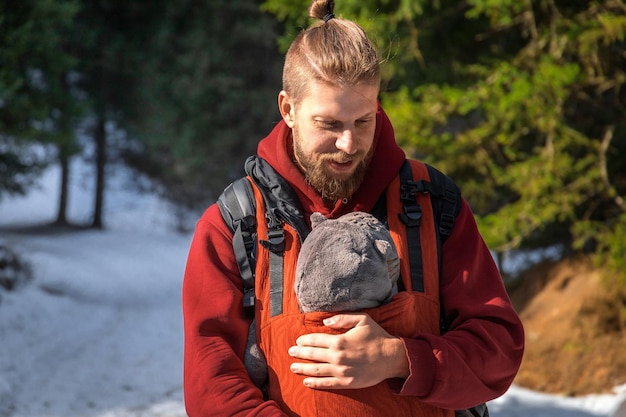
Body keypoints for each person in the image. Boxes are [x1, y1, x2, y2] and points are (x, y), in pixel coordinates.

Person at [182, 0, 525, 416]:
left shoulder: (433, 201)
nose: (349, 145)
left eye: (364, 121)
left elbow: (499, 349)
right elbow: (212, 389)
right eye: (329, 124)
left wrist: (399, 358)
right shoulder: (234, 224)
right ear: (288, 109)